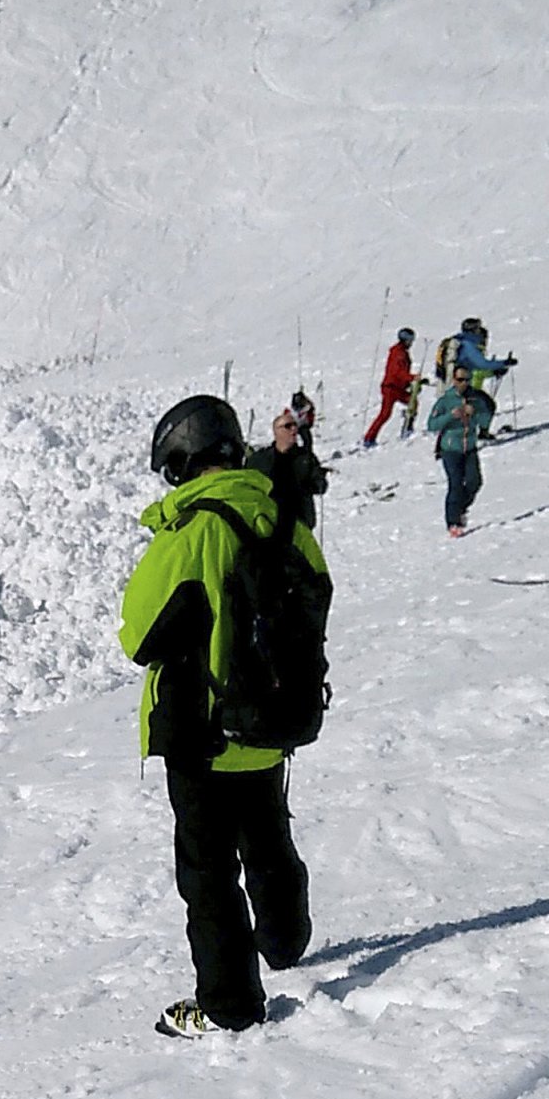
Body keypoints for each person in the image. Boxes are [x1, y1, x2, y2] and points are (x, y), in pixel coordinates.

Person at [119, 396, 326, 1038]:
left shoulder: (194, 529)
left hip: (204, 735)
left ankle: (229, 1004)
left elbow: (139, 634)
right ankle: (286, 942)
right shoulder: (282, 517)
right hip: (269, 727)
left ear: (182, 460)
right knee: (269, 841)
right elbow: (317, 593)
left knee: (208, 876)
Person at [426, 363, 494, 536]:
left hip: (469, 447)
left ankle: (460, 508)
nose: (464, 383)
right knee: (455, 484)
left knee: (474, 481)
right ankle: (453, 522)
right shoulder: (446, 400)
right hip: (450, 449)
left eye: (467, 379)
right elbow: (432, 425)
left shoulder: (476, 398)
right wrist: (451, 416)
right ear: (454, 380)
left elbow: (485, 421)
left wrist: (476, 413)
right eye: (460, 379)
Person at [251, 390, 328, 531]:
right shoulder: (259, 459)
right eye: (287, 426)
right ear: (276, 431)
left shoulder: (306, 458)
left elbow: (320, 485)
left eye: (295, 426)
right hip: (268, 524)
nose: (293, 430)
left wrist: (316, 482)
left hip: (301, 524)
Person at [363, 329, 419, 446]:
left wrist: (409, 383)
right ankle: (369, 438)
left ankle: (408, 427)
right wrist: (411, 378)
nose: (411, 343)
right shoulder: (398, 354)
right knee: (385, 414)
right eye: (410, 340)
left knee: (412, 402)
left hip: (398, 388)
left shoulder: (402, 352)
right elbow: (397, 372)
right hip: (391, 388)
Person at [449, 318, 516, 391]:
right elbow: (482, 365)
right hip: (462, 389)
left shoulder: (461, 342)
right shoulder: (468, 345)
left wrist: (494, 372)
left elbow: (477, 369)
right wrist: (503, 363)